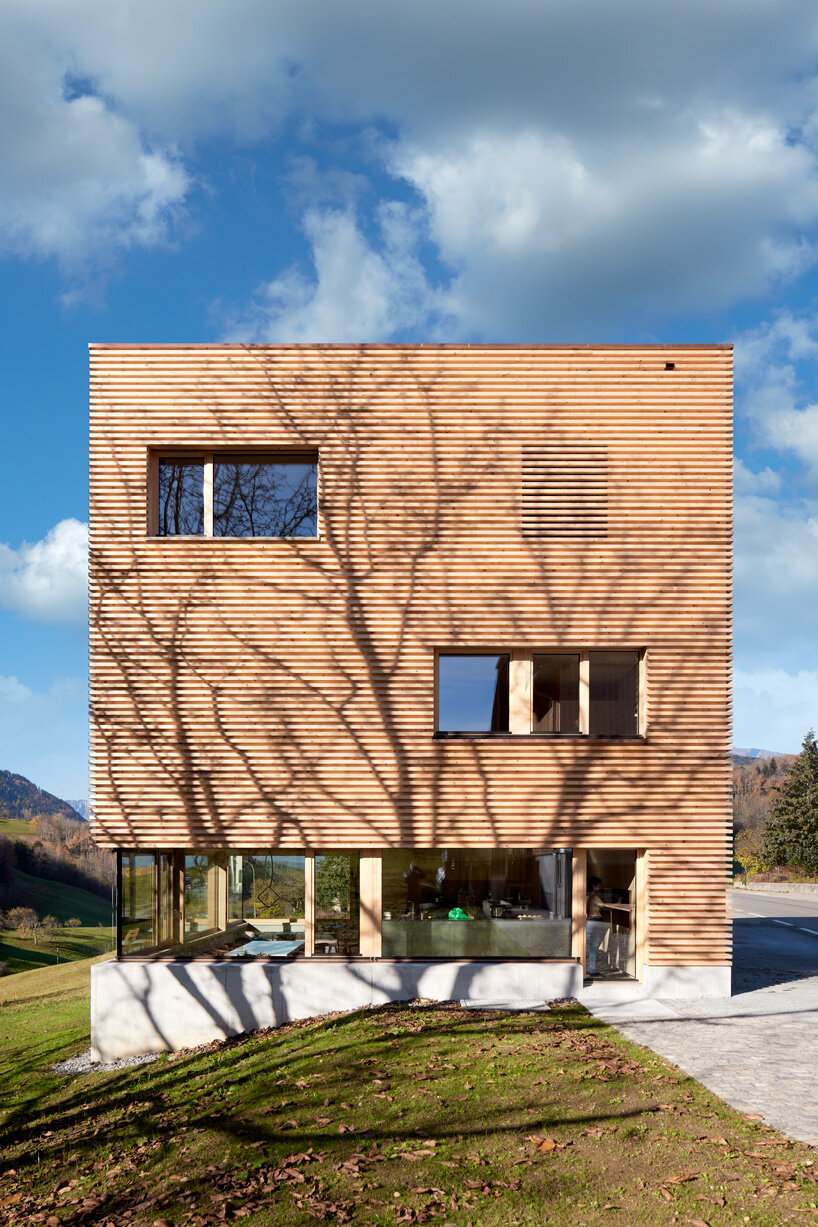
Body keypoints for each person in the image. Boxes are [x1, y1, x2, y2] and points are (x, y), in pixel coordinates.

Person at [586, 875, 611, 976]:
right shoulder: (594, 897)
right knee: (593, 947)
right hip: (595, 922)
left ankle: (587, 968)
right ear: (594, 886)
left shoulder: (585, 895)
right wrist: (618, 903)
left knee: (588, 946)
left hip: (588, 922)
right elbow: (605, 907)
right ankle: (591, 969)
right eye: (599, 885)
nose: (600, 887)